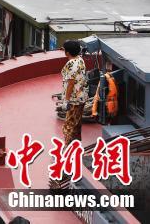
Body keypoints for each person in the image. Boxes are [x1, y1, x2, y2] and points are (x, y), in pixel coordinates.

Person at [52, 39, 88, 190]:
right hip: (81, 98)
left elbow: (71, 82)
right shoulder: (80, 60)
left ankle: (67, 151)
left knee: (69, 125)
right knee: (77, 124)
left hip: (73, 99)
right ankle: (76, 147)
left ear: (67, 52)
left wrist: (66, 100)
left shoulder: (71, 65)